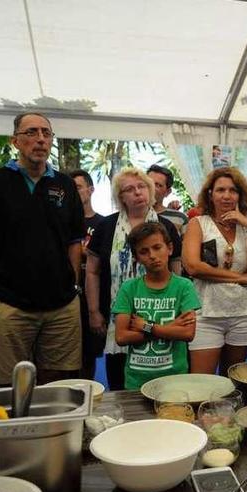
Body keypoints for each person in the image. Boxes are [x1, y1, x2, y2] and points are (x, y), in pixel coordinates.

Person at [0, 112, 84, 386]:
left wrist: (72, 284)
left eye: (46, 133)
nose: (40, 139)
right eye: (31, 133)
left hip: (62, 307)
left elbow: (75, 240)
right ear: (15, 140)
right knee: (13, 385)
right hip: (10, 305)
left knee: (60, 383)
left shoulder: (64, 185)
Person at [86, 167, 183, 390]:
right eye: (129, 189)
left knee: (162, 386)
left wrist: (177, 310)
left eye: (141, 187)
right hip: (117, 319)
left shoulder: (167, 227)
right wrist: (93, 311)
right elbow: (92, 271)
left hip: (161, 315)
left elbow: (176, 270)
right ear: (121, 198)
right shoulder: (106, 226)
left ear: (150, 191)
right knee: (120, 385)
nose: (137, 192)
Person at [183, 168, 247, 374]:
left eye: (233, 190)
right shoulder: (198, 223)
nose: (227, 195)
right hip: (206, 312)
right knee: (202, 383)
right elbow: (193, 266)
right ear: (210, 194)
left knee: (232, 381)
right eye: (221, 190)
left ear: (240, 195)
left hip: (245, 314)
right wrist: (239, 277)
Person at [112, 222, 199, 390]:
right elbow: (121, 337)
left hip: (175, 380)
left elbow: (188, 333)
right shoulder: (129, 288)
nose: (152, 255)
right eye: (144, 252)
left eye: (157, 247)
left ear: (170, 248)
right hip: (136, 381)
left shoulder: (184, 286)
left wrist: (146, 326)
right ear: (136, 258)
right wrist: (169, 329)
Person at [69, 169, 105, 380]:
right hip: (67, 298)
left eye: (79, 187)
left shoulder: (104, 224)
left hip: (92, 298)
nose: (75, 192)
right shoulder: (63, 223)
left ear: (91, 190)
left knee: (88, 357)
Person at [147, 164, 189, 236]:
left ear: (167, 192)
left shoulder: (180, 218)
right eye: (148, 183)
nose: (151, 188)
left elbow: (187, 246)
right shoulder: (131, 215)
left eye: (158, 185)